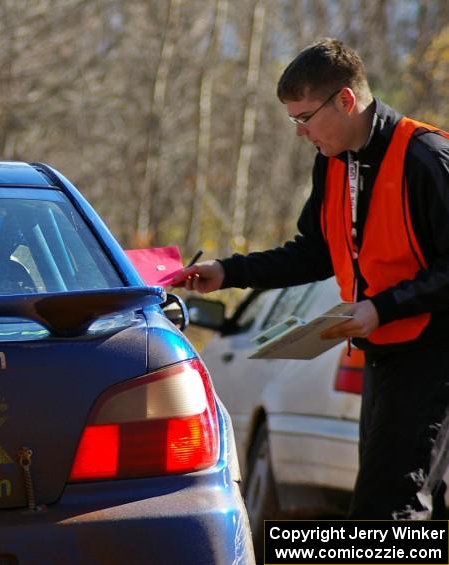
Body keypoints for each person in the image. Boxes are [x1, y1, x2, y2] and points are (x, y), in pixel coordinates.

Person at [178, 38, 449, 519]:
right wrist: (227, 273)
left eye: (304, 118)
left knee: (388, 512)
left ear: (346, 100)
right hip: (386, 357)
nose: (301, 133)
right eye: (293, 121)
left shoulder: (425, 157)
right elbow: (314, 253)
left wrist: (381, 308)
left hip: (433, 359)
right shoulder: (334, 161)